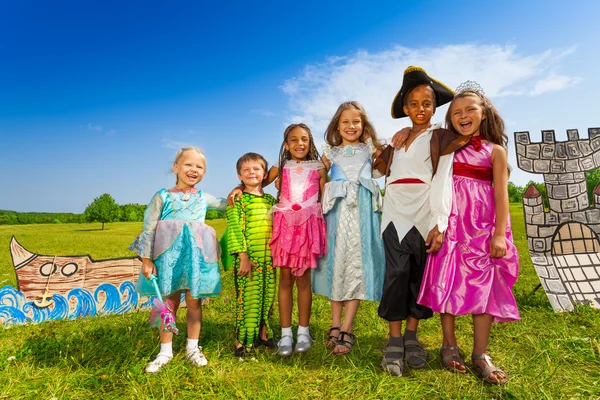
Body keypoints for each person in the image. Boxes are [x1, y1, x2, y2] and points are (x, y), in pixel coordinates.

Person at [417, 81, 519, 384]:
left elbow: (501, 196)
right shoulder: (447, 148)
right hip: (451, 226)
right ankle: (449, 345)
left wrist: (499, 234)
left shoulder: (495, 151)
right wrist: (437, 224)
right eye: (456, 112)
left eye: (469, 109)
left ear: (483, 113)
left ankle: (480, 354)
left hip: (483, 228)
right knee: (447, 283)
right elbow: (436, 186)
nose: (463, 115)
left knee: (484, 289)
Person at [375, 66, 468, 377]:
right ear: (405, 108)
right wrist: (388, 142)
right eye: (413, 104)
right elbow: (376, 171)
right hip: (394, 213)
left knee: (419, 274)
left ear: (435, 107)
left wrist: (439, 223)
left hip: (425, 212)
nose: (420, 109)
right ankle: (394, 337)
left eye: (427, 103)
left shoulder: (442, 138)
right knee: (396, 272)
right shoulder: (396, 140)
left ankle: (412, 334)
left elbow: (442, 179)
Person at [227, 123, 327, 357]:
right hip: (284, 227)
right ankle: (285, 334)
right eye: (293, 139)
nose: (299, 144)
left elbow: (325, 192)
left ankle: (303, 331)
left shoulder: (320, 166)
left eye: (304, 139)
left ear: (310, 142)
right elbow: (256, 183)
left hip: (307, 226)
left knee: (303, 279)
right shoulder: (280, 166)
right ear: (285, 144)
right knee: (284, 278)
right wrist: (238, 188)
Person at [129, 146, 226, 373]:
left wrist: (239, 191)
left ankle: (193, 347)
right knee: (169, 303)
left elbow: (226, 203)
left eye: (199, 166)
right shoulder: (162, 196)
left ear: (204, 172)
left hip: (195, 259)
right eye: (188, 164)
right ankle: (165, 351)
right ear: (176, 167)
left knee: (194, 302)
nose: (194, 169)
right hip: (168, 259)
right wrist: (146, 260)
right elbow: (149, 229)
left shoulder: (203, 197)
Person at [312, 101, 386, 355]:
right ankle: (334, 324)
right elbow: (316, 180)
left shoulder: (371, 149)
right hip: (337, 213)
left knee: (357, 264)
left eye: (356, 121)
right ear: (337, 125)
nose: (350, 126)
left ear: (364, 125)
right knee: (337, 264)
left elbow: (387, 166)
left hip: (362, 213)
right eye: (345, 122)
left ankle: (347, 326)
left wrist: (382, 149)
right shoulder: (329, 153)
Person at [224, 152, 278, 358]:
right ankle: (241, 341)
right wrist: (243, 257)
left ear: (265, 174)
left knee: (266, 297)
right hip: (249, 260)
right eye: (246, 170)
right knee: (246, 300)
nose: (251, 173)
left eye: (256, 169)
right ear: (239, 175)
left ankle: (263, 335)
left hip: (268, 259)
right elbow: (235, 229)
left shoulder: (271, 200)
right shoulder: (236, 199)